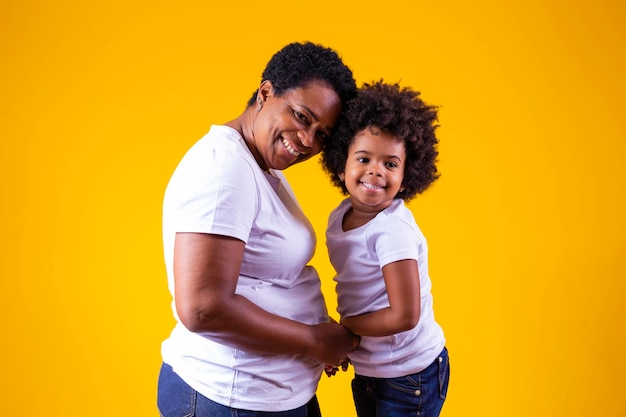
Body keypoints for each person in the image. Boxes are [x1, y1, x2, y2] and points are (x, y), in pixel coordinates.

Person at [157, 42, 360, 417]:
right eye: (302, 116)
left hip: (267, 394)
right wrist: (313, 340)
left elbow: (265, 281)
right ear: (266, 93)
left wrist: (316, 334)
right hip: (230, 397)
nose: (308, 140)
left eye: (323, 134)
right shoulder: (225, 169)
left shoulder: (260, 166)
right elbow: (203, 308)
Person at [320, 81, 450, 417]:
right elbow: (359, 292)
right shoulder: (339, 217)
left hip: (410, 375)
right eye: (363, 158)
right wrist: (346, 344)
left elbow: (405, 315)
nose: (376, 169)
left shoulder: (392, 231)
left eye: (390, 164)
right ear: (341, 166)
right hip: (373, 368)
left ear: (406, 177)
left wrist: (346, 330)